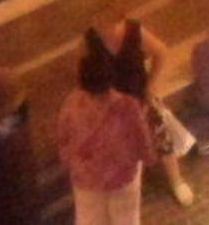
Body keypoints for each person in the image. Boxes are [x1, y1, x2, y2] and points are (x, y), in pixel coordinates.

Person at [89, 18, 196, 207]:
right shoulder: (91, 39)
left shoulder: (134, 30)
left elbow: (161, 51)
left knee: (161, 139)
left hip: (140, 98)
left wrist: (151, 86)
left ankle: (176, 181)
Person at [56, 46, 153, 224]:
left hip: (86, 177)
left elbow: (63, 137)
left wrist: (68, 161)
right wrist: (148, 158)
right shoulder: (128, 105)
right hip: (122, 175)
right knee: (127, 218)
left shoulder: (71, 104)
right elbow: (141, 138)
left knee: (89, 218)